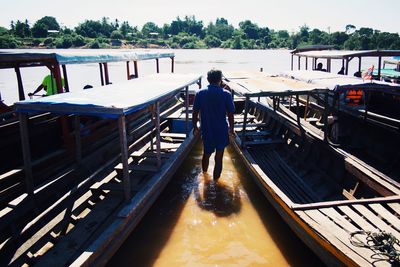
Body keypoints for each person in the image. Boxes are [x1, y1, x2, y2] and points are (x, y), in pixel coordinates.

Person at [192, 69, 235, 181]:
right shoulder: (226, 94)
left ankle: (205, 177)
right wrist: (232, 129)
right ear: (220, 80)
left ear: (207, 79)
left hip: (207, 130)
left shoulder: (200, 93)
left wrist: (195, 127)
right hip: (221, 130)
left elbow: (195, 112)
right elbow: (231, 114)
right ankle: (216, 183)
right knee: (219, 157)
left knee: (206, 154)